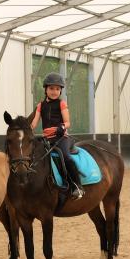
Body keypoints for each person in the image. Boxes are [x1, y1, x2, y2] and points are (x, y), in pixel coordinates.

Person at [30, 72, 84, 200]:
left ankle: (77, 186)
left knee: (66, 156)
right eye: (51, 88)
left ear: (60, 91)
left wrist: (62, 127)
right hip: (46, 139)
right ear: (46, 89)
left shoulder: (62, 104)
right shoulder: (40, 106)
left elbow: (68, 122)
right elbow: (33, 124)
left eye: (57, 89)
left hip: (61, 138)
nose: (54, 91)